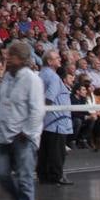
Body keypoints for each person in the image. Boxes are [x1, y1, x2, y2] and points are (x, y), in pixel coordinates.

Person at [0, 41, 44, 200]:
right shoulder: (6, 78)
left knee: (24, 178)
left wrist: (27, 132)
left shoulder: (32, 79)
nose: (8, 58)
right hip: (4, 135)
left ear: (22, 60)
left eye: (12, 56)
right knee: (1, 174)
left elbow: (37, 110)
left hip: (22, 137)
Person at [37, 50, 72, 185]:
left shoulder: (42, 74)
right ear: (49, 61)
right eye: (57, 58)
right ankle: (56, 176)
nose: (60, 60)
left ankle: (45, 175)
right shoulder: (53, 77)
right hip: (57, 120)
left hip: (48, 121)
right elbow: (49, 99)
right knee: (57, 151)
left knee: (46, 150)